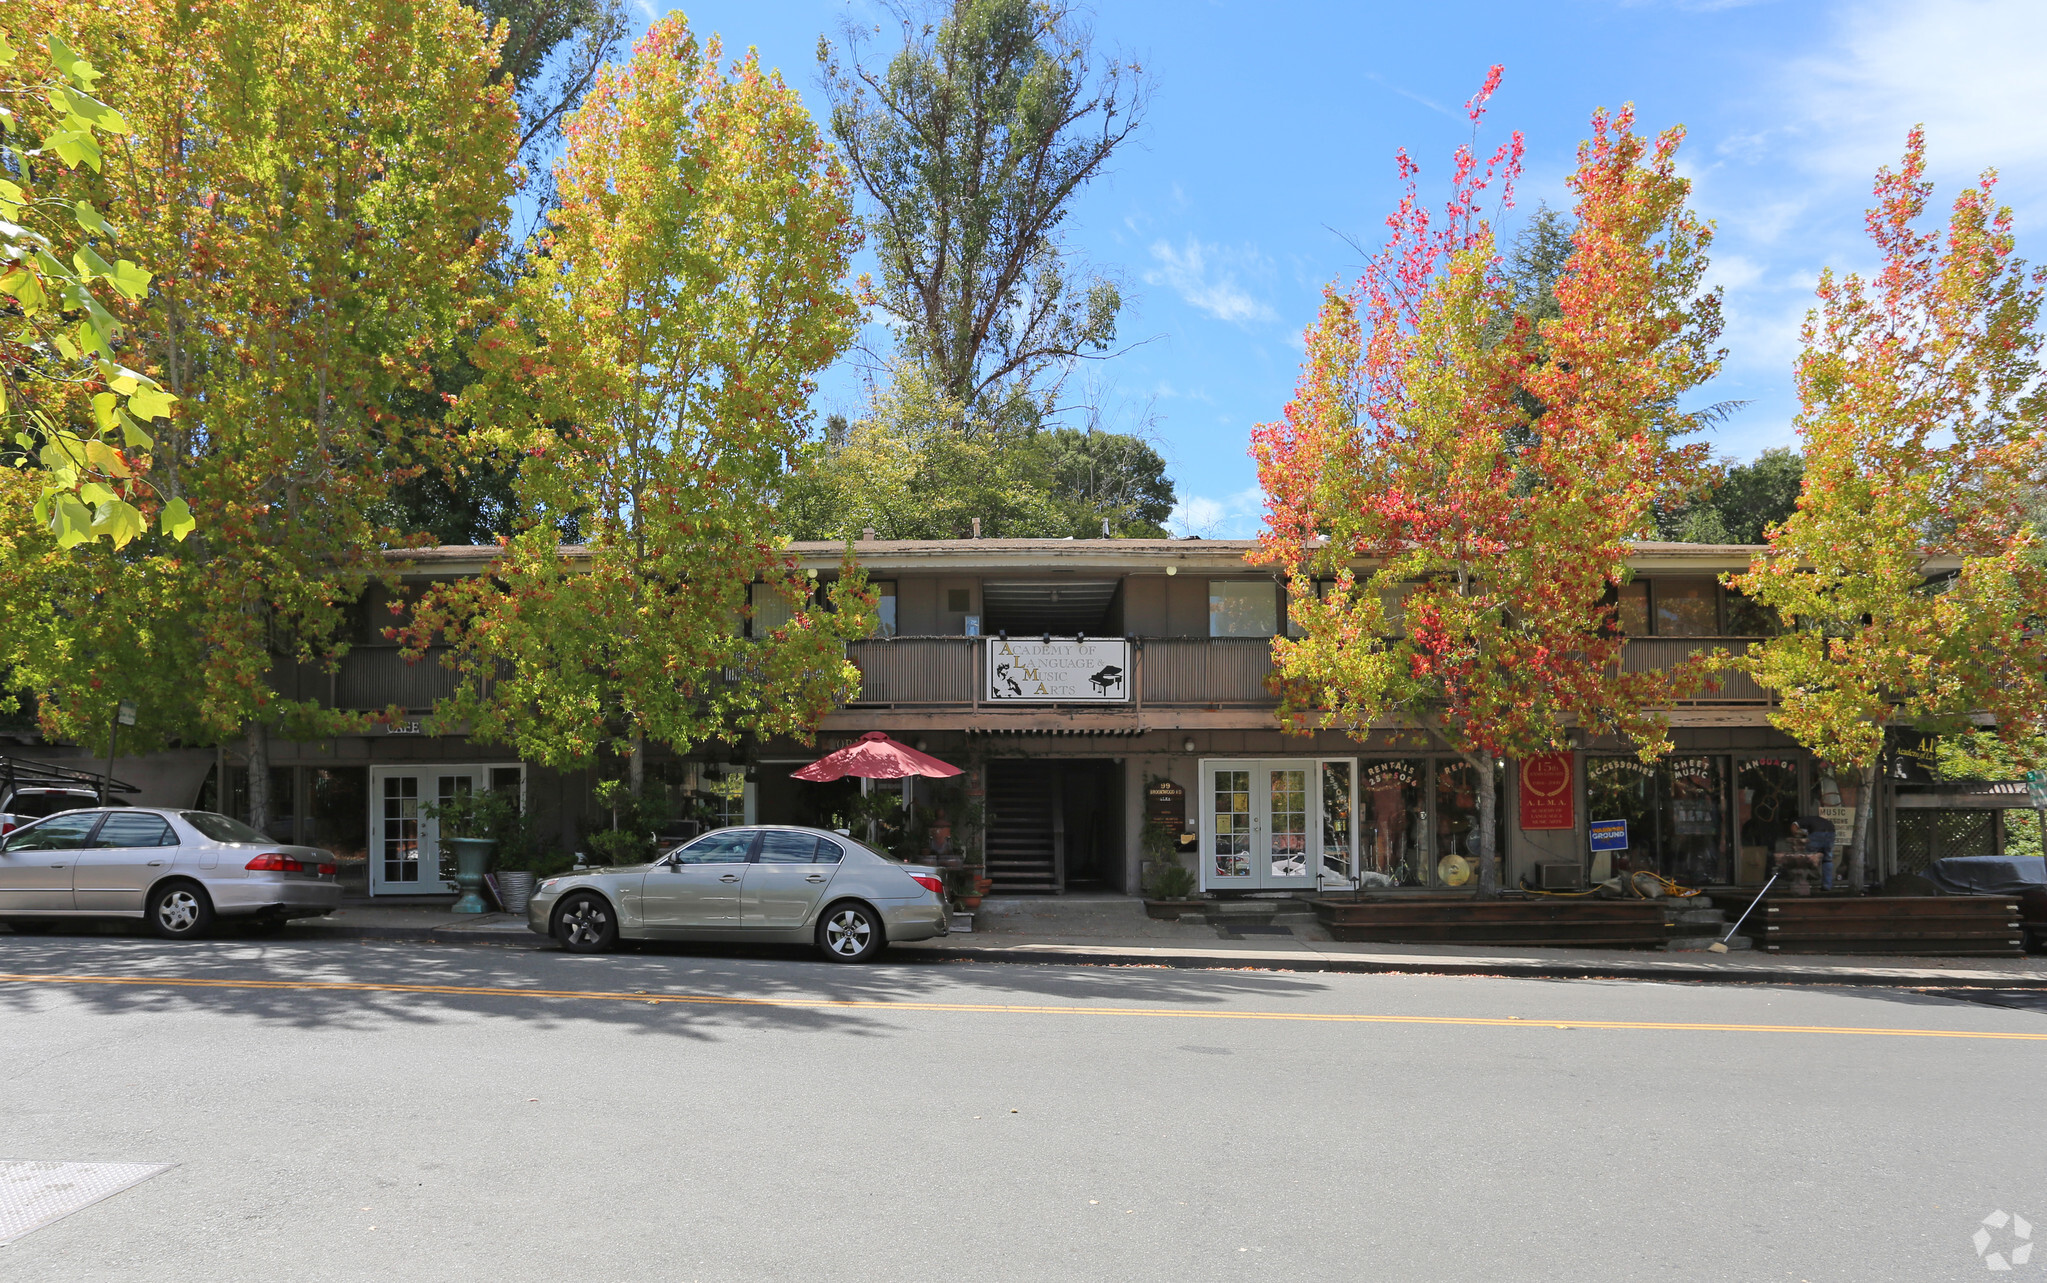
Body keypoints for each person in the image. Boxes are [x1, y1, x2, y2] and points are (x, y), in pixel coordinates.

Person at [1791, 813, 1838, 890]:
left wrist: (1795, 836)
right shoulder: (1818, 820)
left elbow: (1794, 827)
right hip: (1831, 832)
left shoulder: (1801, 821)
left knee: (1805, 858)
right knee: (1827, 860)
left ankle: (1801, 885)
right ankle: (1827, 885)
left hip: (1817, 832)